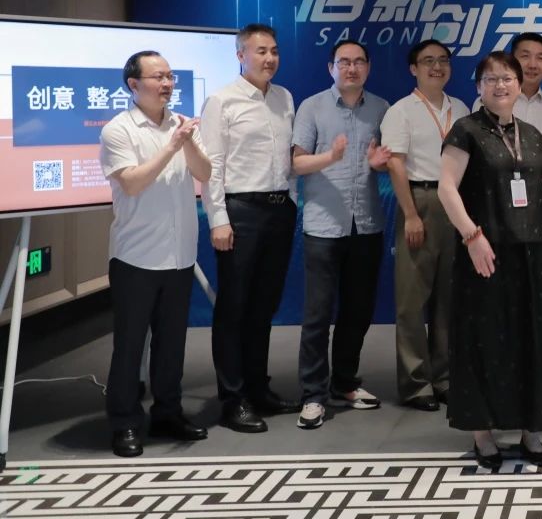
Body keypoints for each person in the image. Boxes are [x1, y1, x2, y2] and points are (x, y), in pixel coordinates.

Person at [438, 52, 542, 469]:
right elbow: (446, 188)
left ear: (518, 83)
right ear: (478, 87)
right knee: (483, 339)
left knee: (531, 340)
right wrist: (472, 236)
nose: (501, 86)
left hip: (531, 256)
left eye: (507, 78)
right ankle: (482, 434)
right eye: (491, 79)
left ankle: (531, 430)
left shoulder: (531, 133)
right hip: (485, 253)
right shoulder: (466, 131)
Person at [99, 51, 211, 457]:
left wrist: (186, 141)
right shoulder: (118, 129)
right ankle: (125, 422)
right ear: (134, 84)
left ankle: (168, 413)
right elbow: (131, 183)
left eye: (170, 76)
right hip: (136, 257)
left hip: (179, 255)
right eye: (158, 77)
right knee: (130, 345)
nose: (167, 84)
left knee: (171, 344)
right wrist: (171, 146)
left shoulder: (181, 124)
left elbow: (205, 173)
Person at [202, 23, 300, 433]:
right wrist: (219, 219)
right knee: (233, 308)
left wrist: (290, 200)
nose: (269, 58)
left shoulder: (284, 97)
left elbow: (286, 159)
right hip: (240, 211)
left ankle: (258, 388)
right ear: (240, 55)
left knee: (264, 306)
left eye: (274, 51)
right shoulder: (221, 101)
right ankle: (233, 399)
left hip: (279, 210)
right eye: (260, 51)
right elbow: (212, 166)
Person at [291, 39, 393, 429]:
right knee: (318, 314)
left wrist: (379, 164)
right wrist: (330, 157)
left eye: (359, 62)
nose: (351, 68)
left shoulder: (382, 108)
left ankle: (345, 383)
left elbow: (387, 161)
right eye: (344, 62)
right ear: (331, 67)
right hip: (323, 226)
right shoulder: (312, 106)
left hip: (366, 224)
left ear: (368, 67)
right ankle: (313, 395)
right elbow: (297, 163)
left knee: (357, 311)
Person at [381, 39, 471, 411]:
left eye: (443, 60)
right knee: (411, 300)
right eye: (428, 61)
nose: (437, 67)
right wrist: (411, 215)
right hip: (420, 200)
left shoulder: (461, 108)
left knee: (449, 299)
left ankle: (444, 377)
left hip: (456, 202)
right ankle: (416, 384)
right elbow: (395, 164)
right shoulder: (400, 111)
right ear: (413, 69)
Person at [473, 32, 542, 297]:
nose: (533, 64)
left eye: (540, 58)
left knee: (540, 278)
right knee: (499, 280)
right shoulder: (487, 102)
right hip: (496, 199)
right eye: (525, 56)